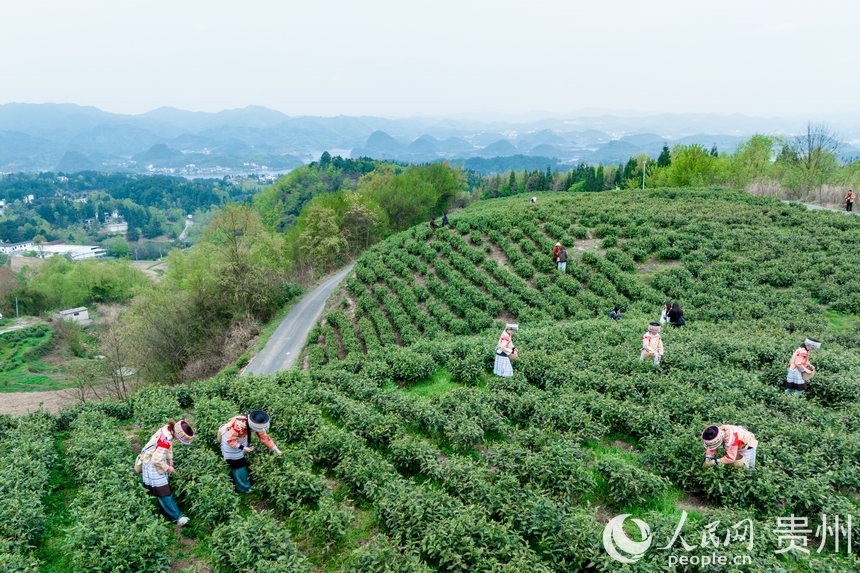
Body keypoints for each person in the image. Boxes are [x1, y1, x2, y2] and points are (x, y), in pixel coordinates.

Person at [138, 419, 195, 526]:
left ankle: (159, 506)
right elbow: (156, 460)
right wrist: (168, 468)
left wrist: (169, 459)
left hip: (152, 458)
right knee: (164, 492)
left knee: (159, 489)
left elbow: (168, 447)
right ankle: (177, 517)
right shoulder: (166, 439)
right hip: (152, 463)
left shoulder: (168, 429)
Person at [219, 411, 282, 493]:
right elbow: (230, 440)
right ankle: (243, 488)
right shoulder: (239, 426)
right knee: (238, 463)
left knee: (234, 463)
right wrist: (244, 448)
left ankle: (231, 479)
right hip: (230, 440)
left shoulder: (255, 422)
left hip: (240, 439)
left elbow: (264, 437)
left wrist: (276, 449)